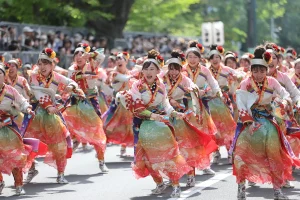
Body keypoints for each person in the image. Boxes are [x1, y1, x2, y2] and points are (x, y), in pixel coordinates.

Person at [231, 46, 300, 200]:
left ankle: (277, 190)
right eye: (255, 71)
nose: (259, 74)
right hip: (250, 123)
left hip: (269, 123)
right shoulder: (246, 84)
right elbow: (241, 103)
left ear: (266, 70)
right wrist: (248, 122)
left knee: (274, 155)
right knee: (241, 154)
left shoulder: (273, 81)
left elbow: (286, 93)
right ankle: (241, 187)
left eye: (262, 71)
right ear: (251, 70)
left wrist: (283, 101)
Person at [125, 49, 191, 198]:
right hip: (144, 125)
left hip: (162, 125)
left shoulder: (161, 86)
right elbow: (138, 107)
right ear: (142, 71)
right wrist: (154, 116)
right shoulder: (137, 86)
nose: (149, 72)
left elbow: (166, 104)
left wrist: (174, 113)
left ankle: (175, 186)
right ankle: (159, 183)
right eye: (146, 69)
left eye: (152, 69)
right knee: (148, 159)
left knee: (170, 156)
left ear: (157, 71)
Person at [163, 50, 218, 187]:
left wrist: (196, 91)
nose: (174, 72)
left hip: (182, 114)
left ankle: (192, 173)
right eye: (171, 69)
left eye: (176, 69)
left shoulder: (186, 79)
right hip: (165, 114)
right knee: (168, 146)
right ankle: (172, 175)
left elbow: (194, 88)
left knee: (188, 145)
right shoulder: (162, 78)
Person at [24, 48, 78, 184]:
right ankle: (31, 169)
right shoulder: (34, 76)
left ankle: (60, 174)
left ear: (52, 65)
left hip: (53, 114)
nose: (42, 67)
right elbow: (38, 94)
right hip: (36, 113)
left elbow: (71, 81)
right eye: (40, 64)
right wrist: (49, 107)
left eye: (46, 63)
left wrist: (71, 86)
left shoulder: (56, 76)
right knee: (28, 143)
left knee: (60, 144)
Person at [64, 43, 108, 172]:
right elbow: (71, 80)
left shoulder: (92, 64)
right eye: (76, 54)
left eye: (81, 53)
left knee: (97, 129)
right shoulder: (72, 69)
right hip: (77, 101)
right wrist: (83, 76)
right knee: (70, 126)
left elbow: (102, 56)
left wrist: (91, 55)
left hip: (91, 100)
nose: (79, 56)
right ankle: (76, 140)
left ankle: (101, 161)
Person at [0, 63, 37, 195]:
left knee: (15, 156)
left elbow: (22, 101)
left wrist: (27, 108)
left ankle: (19, 184)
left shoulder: (11, 90)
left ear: (4, 76)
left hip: (8, 126)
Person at [182, 41, 219, 174]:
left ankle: (205, 164)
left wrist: (215, 91)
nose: (192, 60)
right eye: (190, 57)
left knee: (204, 133)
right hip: (184, 105)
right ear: (186, 58)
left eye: (195, 57)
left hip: (201, 105)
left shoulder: (205, 70)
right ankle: (185, 164)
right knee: (185, 135)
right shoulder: (181, 70)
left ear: (200, 58)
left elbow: (213, 83)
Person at [207, 45, 237, 164]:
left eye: (217, 57)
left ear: (220, 58)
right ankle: (216, 151)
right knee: (213, 127)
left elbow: (240, 78)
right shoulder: (205, 70)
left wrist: (231, 86)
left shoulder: (226, 70)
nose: (215, 60)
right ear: (209, 59)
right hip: (209, 102)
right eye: (212, 58)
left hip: (223, 101)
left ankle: (230, 152)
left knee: (228, 126)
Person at [102, 52, 135, 156]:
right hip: (117, 104)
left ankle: (123, 148)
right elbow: (125, 79)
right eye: (117, 59)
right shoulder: (115, 73)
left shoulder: (130, 73)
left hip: (129, 104)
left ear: (126, 61)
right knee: (109, 126)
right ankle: (102, 147)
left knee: (129, 126)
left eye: (121, 59)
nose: (119, 61)